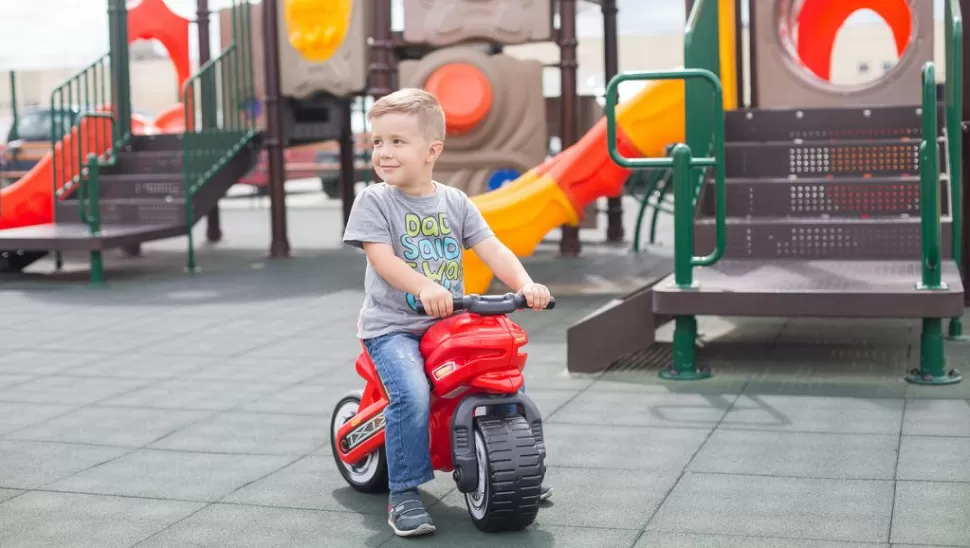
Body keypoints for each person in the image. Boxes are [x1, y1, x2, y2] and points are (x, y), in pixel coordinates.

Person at [342, 88, 554, 537]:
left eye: (397, 141)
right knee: (413, 394)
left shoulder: (455, 202)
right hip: (393, 328)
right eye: (377, 141)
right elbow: (382, 259)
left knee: (496, 375)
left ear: (431, 150)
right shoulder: (374, 201)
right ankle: (403, 494)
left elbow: (492, 248)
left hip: (447, 324)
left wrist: (525, 285)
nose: (384, 152)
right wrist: (424, 286)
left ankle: (516, 467)